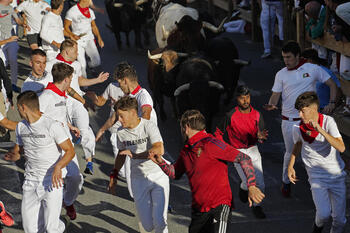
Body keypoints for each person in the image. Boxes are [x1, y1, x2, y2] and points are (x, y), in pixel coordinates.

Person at [148, 109, 265, 233]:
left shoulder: (212, 143)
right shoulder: (186, 151)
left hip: (219, 207)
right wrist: (161, 162)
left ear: (186, 128)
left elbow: (244, 158)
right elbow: (175, 173)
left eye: (182, 127)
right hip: (199, 211)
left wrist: (251, 186)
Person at [264, 41, 338, 198]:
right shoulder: (281, 74)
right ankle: (286, 182)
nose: (286, 61)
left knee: (314, 154)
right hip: (288, 122)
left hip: (309, 122)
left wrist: (332, 103)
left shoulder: (313, 69)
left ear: (298, 56)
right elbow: (275, 95)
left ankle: (319, 187)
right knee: (290, 153)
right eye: (284, 57)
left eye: (289, 57)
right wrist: (271, 104)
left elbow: (332, 85)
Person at [4, 91, 75, 233]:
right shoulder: (21, 127)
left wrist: (58, 167)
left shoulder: (52, 125)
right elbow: (21, 151)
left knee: (51, 228)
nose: (18, 111)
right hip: (31, 181)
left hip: (52, 181)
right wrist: (15, 156)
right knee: (30, 229)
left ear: (23, 107)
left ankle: (60, 226)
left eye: (18, 108)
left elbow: (70, 151)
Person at [45, 39, 109, 175]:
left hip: (77, 102)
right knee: (64, 134)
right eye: (75, 51)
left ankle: (89, 162)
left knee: (85, 129)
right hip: (60, 103)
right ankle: (64, 166)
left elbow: (78, 81)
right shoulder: (51, 65)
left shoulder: (77, 64)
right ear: (67, 51)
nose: (78, 53)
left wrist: (96, 80)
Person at [108, 96, 169, 233]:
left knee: (160, 221)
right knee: (147, 226)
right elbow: (121, 154)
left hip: (158, 176)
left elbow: (159, 149)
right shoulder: (121, 133)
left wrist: (136, 155)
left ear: (133, 113)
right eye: (118, 116)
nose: (119, 120)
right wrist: (114, 175)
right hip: (138, 179)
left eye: (122, 116)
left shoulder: (149, 126)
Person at [288, 91, 346, 233]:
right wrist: (290, 166)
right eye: (299, 111)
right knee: (324, 214)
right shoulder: (297, 127)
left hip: (337, 176)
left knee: (340, 221)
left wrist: (320, 130)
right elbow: (297, 144)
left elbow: (341, 147)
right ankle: (317, 229)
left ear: (313, 109)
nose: (300, 115)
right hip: (316, 176)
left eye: (303, 111)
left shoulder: (328, 122)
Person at [39, 62, 83, 220]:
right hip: (52, 147)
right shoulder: (46, 96)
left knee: (76, 178)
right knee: (54, 181)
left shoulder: (61, 94)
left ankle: (68, 202)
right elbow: (37, 118)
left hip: (67, 144)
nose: (71, 82)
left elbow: (58, 116)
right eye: (70, 79)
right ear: (65, 79)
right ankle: (50, 217)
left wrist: (69, 126)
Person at [220, 85, 267, 219]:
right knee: (248, 182)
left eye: (248, 97)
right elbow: (219, 133)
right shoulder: (230, 115)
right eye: (242, 98)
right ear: (237, 99)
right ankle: (244, 187)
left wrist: (261, 138)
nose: (245, 101)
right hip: (238, 152)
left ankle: (257, 207)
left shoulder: (257, 114)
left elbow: (262, 134)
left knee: (261, 184)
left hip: (253, 150)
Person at [64, 0, 104, 77]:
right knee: (82, 65)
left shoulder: (90, 11)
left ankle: (90, 65)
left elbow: (94, 26)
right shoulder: (72, 11)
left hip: (89, 38)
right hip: (78, 40)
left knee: (97, 61)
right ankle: (84, 86)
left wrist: (99, 38)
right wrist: (72, 35)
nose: (90, 2)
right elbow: (66, 26)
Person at [0, 0, 29, 92]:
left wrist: (23, 24)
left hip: (11, 38)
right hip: (2, 39)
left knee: (13, 61)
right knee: (3, 62)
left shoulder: (10, 8)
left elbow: (17, 20)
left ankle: (13, 84)